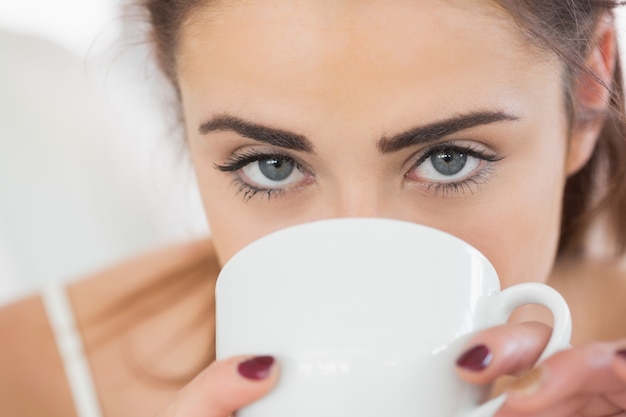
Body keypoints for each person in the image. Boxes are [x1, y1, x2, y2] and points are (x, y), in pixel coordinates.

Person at [2, 0, 626, 416]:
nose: (363, 266)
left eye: (448, 159)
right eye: (271, 165)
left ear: (589, 92)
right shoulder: (27, 381)